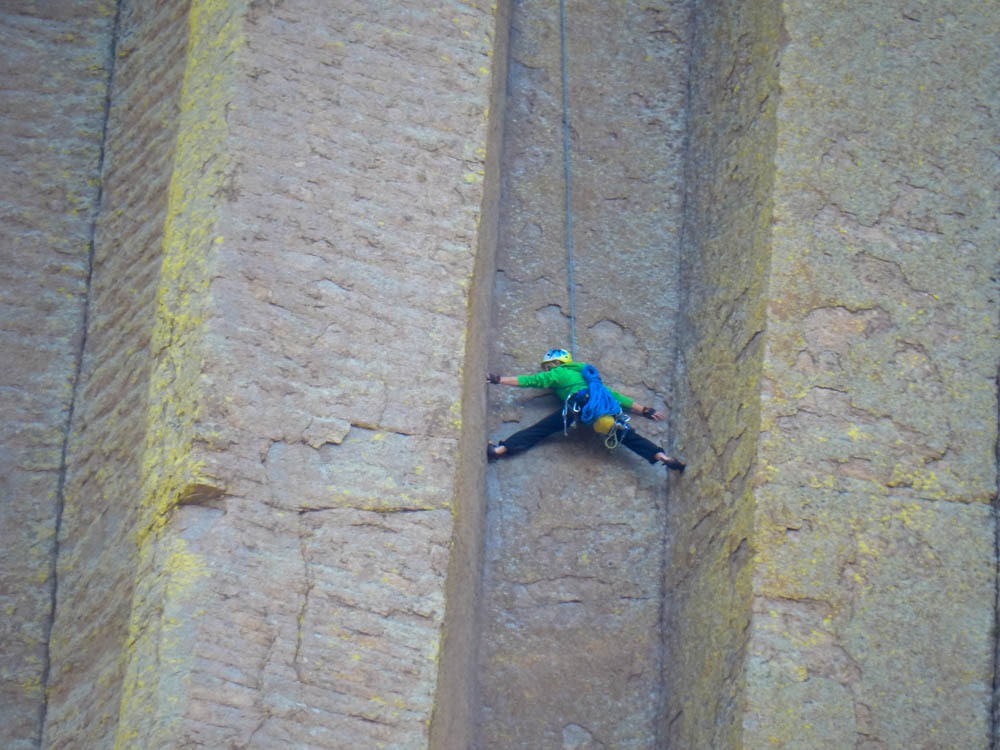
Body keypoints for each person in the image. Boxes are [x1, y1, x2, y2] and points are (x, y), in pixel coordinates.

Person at [486, 348, 686, 472]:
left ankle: (499, 450)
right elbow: (615, 396)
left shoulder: (560, 372)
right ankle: (661, 456)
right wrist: (644, 410)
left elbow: (532, 381)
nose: (547, 371)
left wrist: (499, 380)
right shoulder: (591, 381)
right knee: (626, 436)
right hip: (601, 411)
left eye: (548, 366)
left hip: (579, 405)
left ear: (556, 363)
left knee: (542, 429)